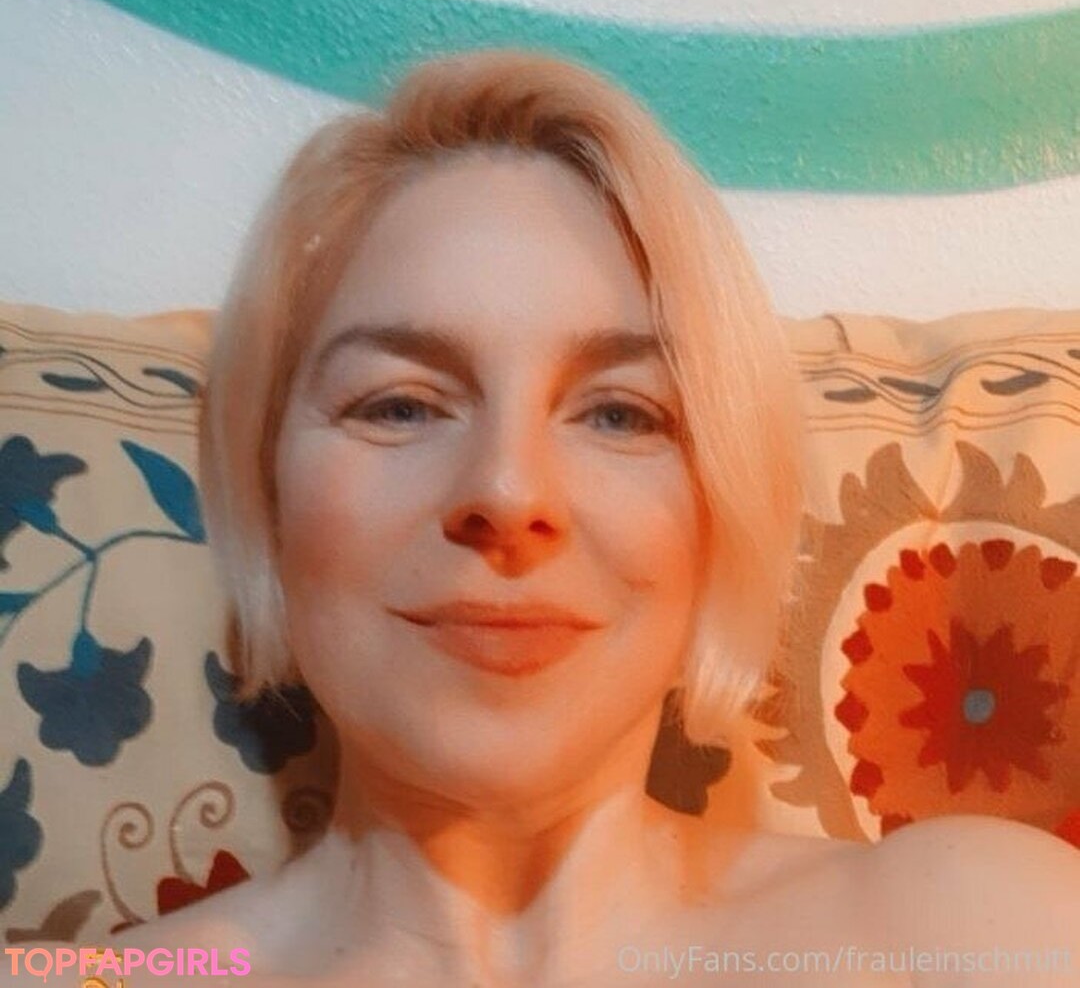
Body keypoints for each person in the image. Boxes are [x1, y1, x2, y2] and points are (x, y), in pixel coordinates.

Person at [32, 49, 1079, 988]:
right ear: (267, 492)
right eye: (400, 405)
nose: (509, 492)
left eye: (620, 413)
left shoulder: (978, 925)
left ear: (721, 507)